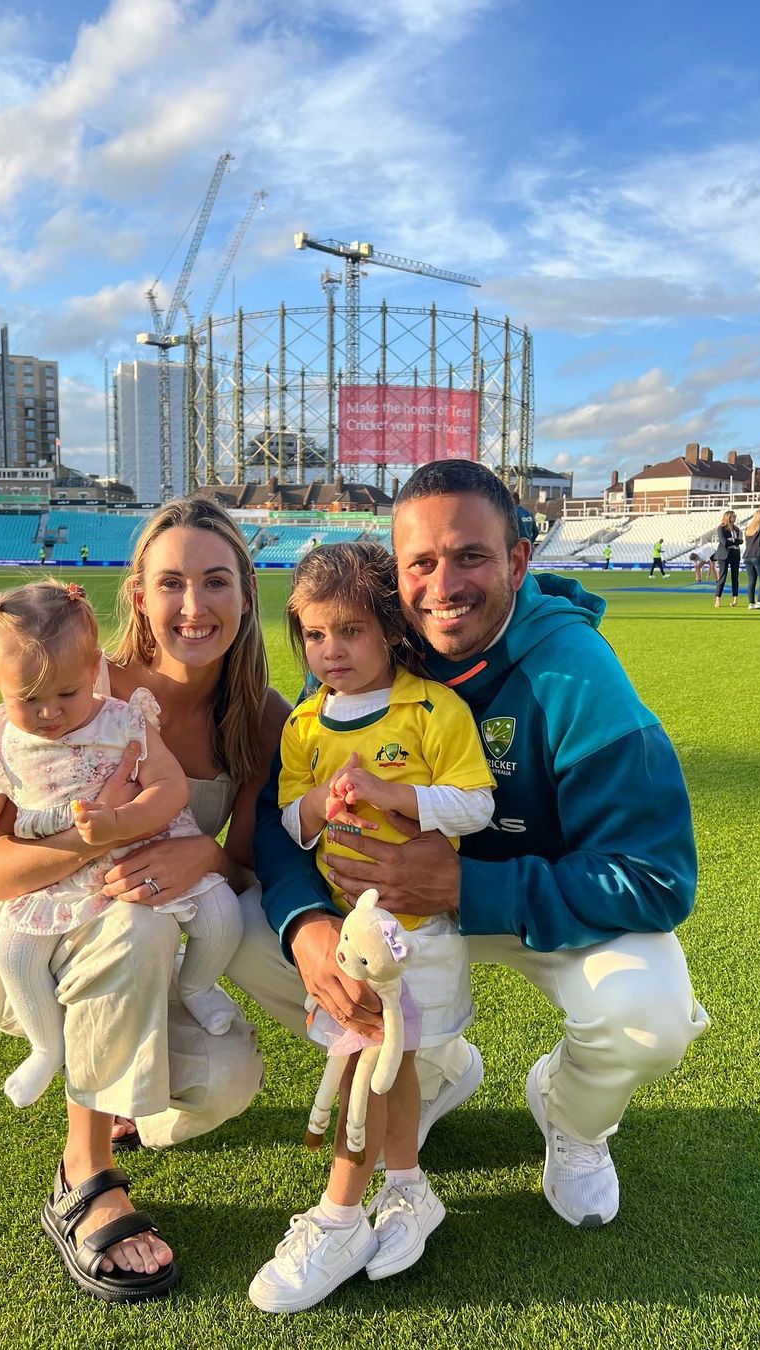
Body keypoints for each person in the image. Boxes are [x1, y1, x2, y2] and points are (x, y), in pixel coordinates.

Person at [240, 459, 707, 1242]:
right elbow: (275, 813)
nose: (443, 586)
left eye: (471, 557)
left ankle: (573, 1118)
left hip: (535, 903)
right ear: (397, 577)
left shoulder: (579, 674)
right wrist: (305, 925)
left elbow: (657, 878)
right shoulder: (376, 655)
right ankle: (436, 1070)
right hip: (398, 918)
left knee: (647, 1015)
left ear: (518, 561)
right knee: (254, 934)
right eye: (421, 563)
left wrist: (462, 884)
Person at [0, 498, 283, 1301]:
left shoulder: (263, 717)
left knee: (229, 1081)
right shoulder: (74, 685)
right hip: (30, 952)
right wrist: (91, 838)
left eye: (216, 581)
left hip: (151, 968)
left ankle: (119, 1092)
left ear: (246, 591)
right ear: (138, 594)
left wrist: (201, 849)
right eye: (171, 583)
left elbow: (244, 858)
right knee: (132, 927)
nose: (194, 606)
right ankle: (86, 1169)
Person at [249, 541, 495, 1313]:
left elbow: (477, 805)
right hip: (351, 940)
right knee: (392, 1066)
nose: (330, 652)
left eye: (349, 632)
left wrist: (395, 796)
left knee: (370, 1068)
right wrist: (321, 806)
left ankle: (340, 1214)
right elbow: (288, 823)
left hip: (418, 932)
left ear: (388, 628)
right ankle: (410, 1189)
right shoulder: (305, 724)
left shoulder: (431, 708)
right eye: (315, 636)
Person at [0, 579, 243, 1107]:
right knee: (15, 952)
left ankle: (198, 988)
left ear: (95, 669)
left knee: (221, 916)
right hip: (59, 879)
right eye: (28, 699)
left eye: (66, 693)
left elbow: (169, 784)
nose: (49, 714)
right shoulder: (2, 735)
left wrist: (123, 821)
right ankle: (46, 1048)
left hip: (139, 851)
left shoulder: (122, 718)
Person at [713, 511, 743, 608]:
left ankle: (735, 600)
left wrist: (733, 540)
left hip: (735, 554)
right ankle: (718, 599)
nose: (735, 517)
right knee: (723, 577)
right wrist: (735, 541)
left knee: (735, 577)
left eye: (735, 516)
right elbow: (724, 542)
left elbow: (741, 541)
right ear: (728, 517)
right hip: (724, 555)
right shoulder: (721, 528)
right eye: (733, 516)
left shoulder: (736, 529)